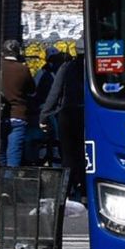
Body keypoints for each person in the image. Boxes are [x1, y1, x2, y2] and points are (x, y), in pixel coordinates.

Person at [40, 45, 85, 199]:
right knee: (84, 154)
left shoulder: (67, 67)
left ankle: (66, 191)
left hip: (68, 113)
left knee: (68, 155)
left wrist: (44, 115)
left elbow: (55, 91)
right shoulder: (94, 66)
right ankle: (85, 188)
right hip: (88, 113)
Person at [0, 37, 35, 169]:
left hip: (1, 115)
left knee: (0, 153)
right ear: (17, 52)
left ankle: (0, 183)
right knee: (14, 155)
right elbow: (32, 90)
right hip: (19, 115)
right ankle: (10, 185)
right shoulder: (23, 69)